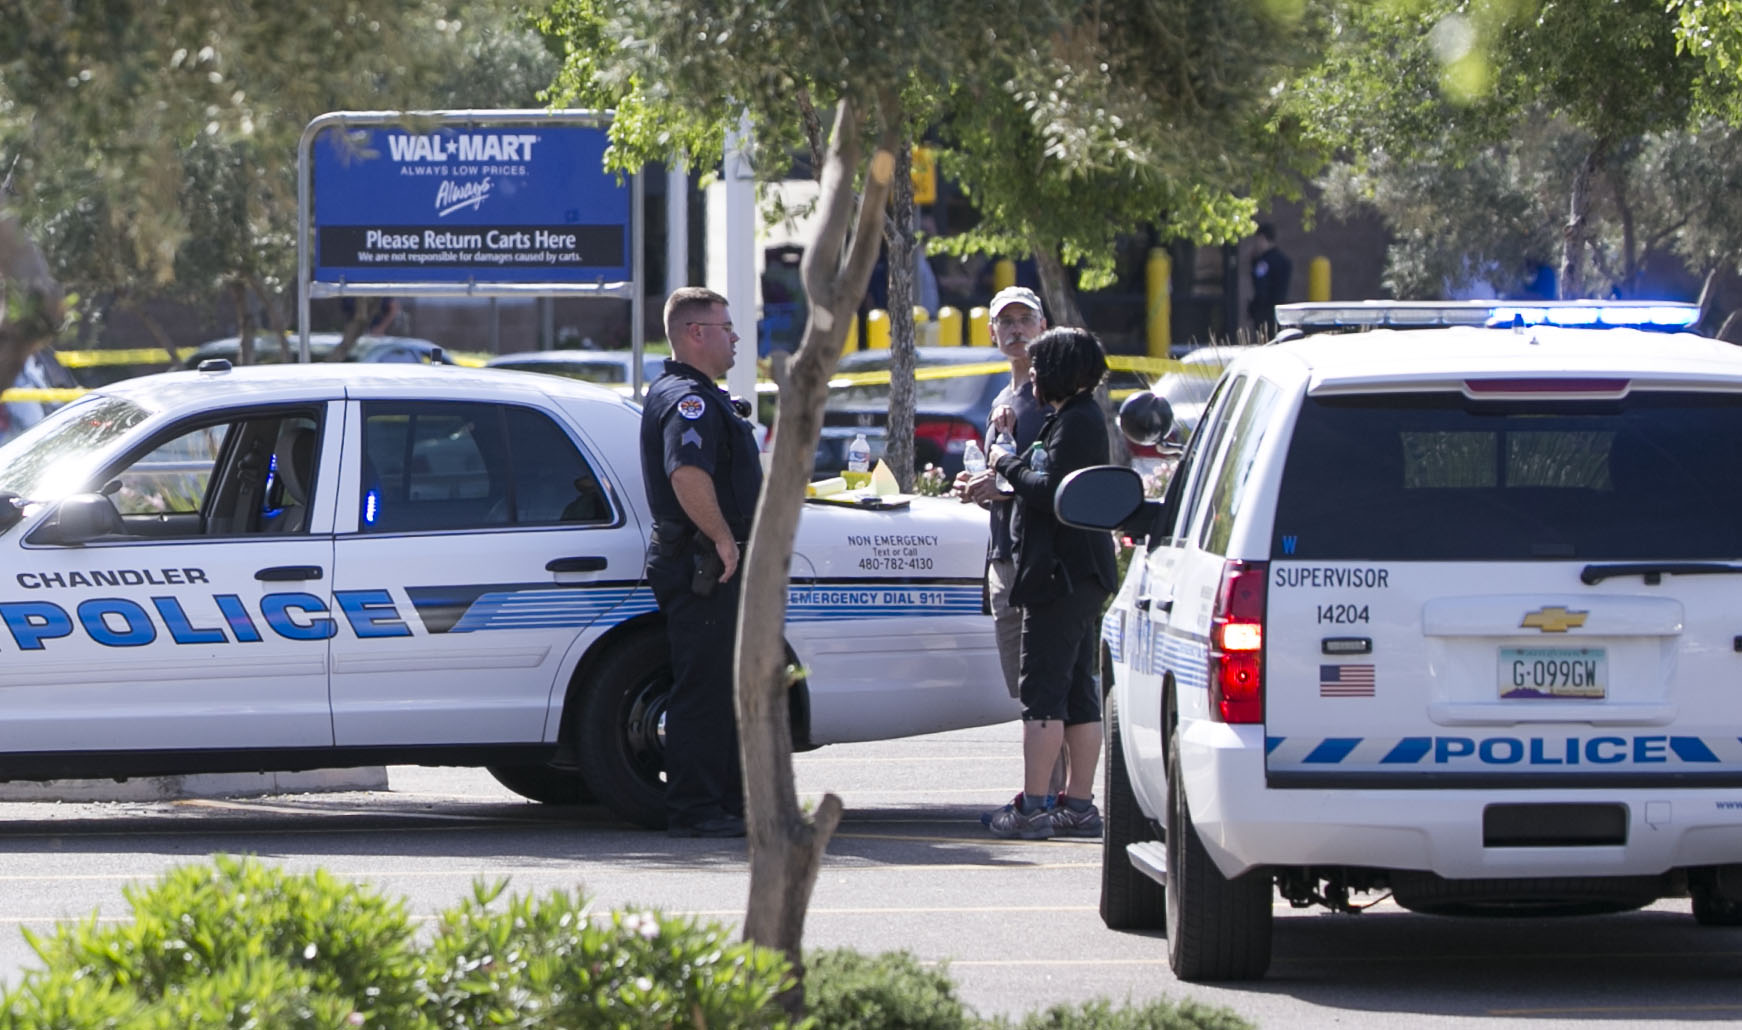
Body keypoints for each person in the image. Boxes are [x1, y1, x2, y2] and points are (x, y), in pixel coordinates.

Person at [983, 327, 1118, 839]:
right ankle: (1078, 804)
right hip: (1076, 574)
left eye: (1039, 367)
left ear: (1060, 370)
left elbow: (1050, 491)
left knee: (1043, 694)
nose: (1032, 375)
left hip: (1060, 577)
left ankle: (1035, 806)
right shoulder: (1070, 419)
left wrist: (1004, 461)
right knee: (1077, 693)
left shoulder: (1078, 422)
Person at [639, 286, 764, 838]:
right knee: (704, 686)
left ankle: (729, 803)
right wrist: (722, 539)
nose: (736, 337)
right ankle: (695, 808)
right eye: (727, 327)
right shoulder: (686, 399)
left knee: (724, 684)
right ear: (696, 333)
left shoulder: (699, 394)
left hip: (710, 560)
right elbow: (687, 473)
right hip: (704, 563)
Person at [951, 286, 1067, 804]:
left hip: (1040, 558)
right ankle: (1049, 789)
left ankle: (1056, 795)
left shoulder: (1052, 397)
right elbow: (1004, 477)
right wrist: (978, 488)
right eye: (1007, 322)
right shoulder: (1000, 398)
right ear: (992, 332)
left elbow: (1053, 479)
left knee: (1048, 686)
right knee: (1023, 686)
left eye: (1025, 320)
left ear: (1043, 327)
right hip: (1004, 555)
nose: (1016, 330)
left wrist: (999, 487)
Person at [1247, 222, 1293, 336]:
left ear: (1262, 238)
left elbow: (1261, 289)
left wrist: (1254, 308)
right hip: (1280, 312)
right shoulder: (1284, 261)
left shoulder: (1263, 263)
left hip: (1264, 313)